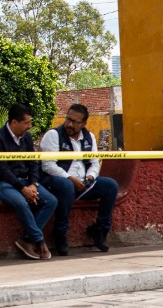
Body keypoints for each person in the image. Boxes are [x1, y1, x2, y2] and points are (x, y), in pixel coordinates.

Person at [39, 102, 119, 252]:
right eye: (68, 119)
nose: (69, 124)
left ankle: (100, 230)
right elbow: (48, 165)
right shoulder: (54, 135)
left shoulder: (90, 137)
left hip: (83, 182)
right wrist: (70, 178)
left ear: (83, 123)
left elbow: (95, 162)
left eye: (75, 122)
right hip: (56, 182)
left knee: (111, 185)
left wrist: (90, 177)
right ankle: (60, 233)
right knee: (66, 186)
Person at [0, 104, 59, 260]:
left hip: (24, 182)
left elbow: (33, 162)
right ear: (14, 123)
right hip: (0, 184)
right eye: (26, 123)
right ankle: (39, 240)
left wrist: (33, 184)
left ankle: (27, 239)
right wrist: (22, 189)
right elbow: (2, 170)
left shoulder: (27, 138)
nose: (29, 126)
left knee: (51, 201)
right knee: (20, 202)